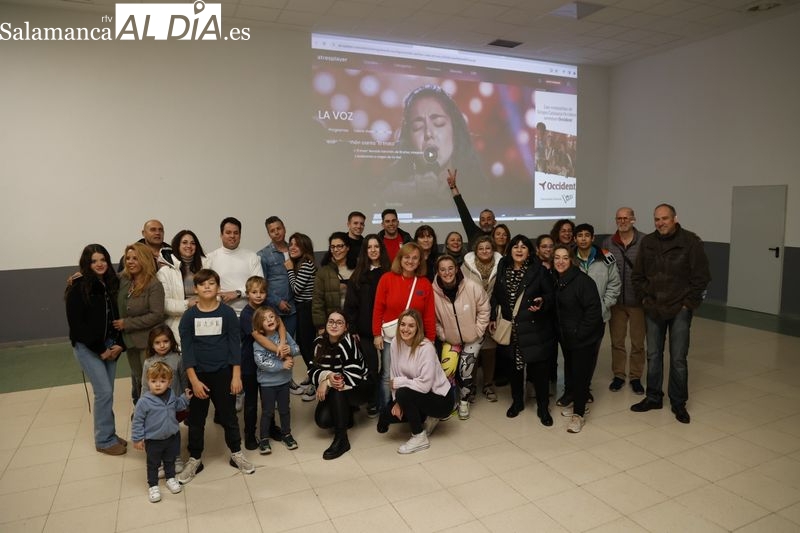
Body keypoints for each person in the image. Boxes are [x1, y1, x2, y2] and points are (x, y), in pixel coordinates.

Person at [631, 204, 711, 424]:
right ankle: (653, 397)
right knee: (653, 355)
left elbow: (702, 277)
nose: (660, 223)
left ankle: (678, 403)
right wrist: (645, 299)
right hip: (653, 307)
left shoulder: (691, 242)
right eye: (657, 219)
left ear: (675, 218)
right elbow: (637, 276)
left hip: (679, 309)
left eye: (665, 218)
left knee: (678, 358)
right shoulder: (647, 242)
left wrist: (688, 304)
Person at [177, 269, 254, 484]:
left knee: (229, 415)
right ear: (196, 289)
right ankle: (194, 458)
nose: (208, 287)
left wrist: (236, 375)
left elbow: (234, 346)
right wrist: (193, 380)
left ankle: (236, 453)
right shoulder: (189, 317)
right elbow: (187, 350)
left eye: (212, 283)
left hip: (224, 374)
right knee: (196, 420)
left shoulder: (228, 314)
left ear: (218, 287)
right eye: (203, 284)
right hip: (198, 376)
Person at [381, 85, 486, 211]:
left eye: (438, 123)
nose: (428, 134)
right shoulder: (395, 191)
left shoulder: (477, 186)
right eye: (417, 126)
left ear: (454, 129)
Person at [65, 244, 127, 456]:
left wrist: (119, 345)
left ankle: (109, 433)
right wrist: (101, 350)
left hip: (110, 345)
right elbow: (77, 326)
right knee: (104, 393)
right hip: (88, 348)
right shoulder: (78, 287)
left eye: (103, 260)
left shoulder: (112, 283)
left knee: (107, 393)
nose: (99, 264)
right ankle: (103, 440)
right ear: (86, 264)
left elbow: (118, 316)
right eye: (94, 261)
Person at [490, 235, 557, 426]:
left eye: (524, 247)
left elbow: (549, 296)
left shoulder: (538, 271)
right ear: (510, 250)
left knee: (540, 372)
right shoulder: (503, 268)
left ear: (530, 251)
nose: (519, 250)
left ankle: (543, 407)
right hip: (512, 330)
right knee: (515, 370)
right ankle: (517, 402)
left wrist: (542, 302)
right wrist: (494, 316)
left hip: (534, 330)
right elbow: (496, 296)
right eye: (515, 247)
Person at [558, 223, 620, 407]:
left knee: (589, 356)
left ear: (593, 238)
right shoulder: (569, 257)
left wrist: (602, 306)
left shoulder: (606, 257)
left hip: (598, 316)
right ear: (574, 239)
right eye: (580, 235)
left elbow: (614, 285)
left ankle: (584, 390)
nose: (583, 238)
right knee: (570, 357)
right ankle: (570, 391)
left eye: (587, 235)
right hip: (572, 318)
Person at [377, 309, 455, 454]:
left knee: (403, 393)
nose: (405, 329)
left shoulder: (426, 348)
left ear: (418, 328)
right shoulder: (395, 343)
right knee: (386, 415)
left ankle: (419, 437)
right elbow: (394, 374)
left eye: (411, 326)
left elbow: (424, 386)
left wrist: (401, 386)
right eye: (403, 324)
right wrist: (397, 401)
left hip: (441, 399)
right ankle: (427, 417)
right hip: (415, 394)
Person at [373, 242, 436, 411]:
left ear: (420, 262)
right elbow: (378, 307)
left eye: (415, 258)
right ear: (400, 259)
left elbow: (429, 315)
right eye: (407, 257)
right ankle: (386, 408)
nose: (410, 261)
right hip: (390, 337)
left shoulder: (424, 284)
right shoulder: (387, 279)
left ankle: (406, 407)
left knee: (410, 374)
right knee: (388, 374)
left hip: (415, 339)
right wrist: (376, 334)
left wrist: (430, 340)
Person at [552, 245, 604, 433]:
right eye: (557, 257)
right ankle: (577, 405)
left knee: (581, 376)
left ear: (571, 260)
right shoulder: (558, 280)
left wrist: (578, 334)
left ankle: (579, 414)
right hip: (568, 338)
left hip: (583, 338)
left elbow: (593, 312)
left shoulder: (583, 281)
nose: (560, 261)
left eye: (565, 258)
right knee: (573, 373)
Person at [432, 255, 490, 420]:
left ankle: (464, 400)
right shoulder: (433, 291)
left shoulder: (471, 286)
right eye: (442, 269)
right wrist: (443, 334)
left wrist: (478, 330)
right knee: (447, 369)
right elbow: (433, 319)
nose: (447, 272)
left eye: (450, 268)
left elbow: (485, 308)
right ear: (438, 272)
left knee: (466, 369)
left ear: (456, 269)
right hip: (451, 339)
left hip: (473, 337)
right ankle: (450, 403)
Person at [308, 310, 368, 460]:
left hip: (360, 387)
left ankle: (342, 440)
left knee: (337, 389)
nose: (334, 325)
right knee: (322, 420)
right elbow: (312, 369)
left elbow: (354, 375)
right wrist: (325, 377)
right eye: (331, 321)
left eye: (339, 322)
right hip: (337, 387)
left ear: (346, 327)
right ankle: (346, 416)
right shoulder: (318, 342)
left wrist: (327, 381)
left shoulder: (348, 343)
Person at [343, 234, 390, 417]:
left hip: (389, 329)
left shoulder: (390, 272)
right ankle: (373, 401)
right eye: (369, 247)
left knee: (387, 368)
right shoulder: (358, 275)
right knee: (371, 367)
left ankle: (386, 399)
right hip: (364, 330)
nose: (373, 250)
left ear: (381, 249)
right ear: (365, 251)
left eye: (376, 246)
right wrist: (352, 329)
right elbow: (350, 306)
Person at [131, 362, 191, 503]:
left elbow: (177, 405)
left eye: (162, 381)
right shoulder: (143, 402)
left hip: (172, 436)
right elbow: (138, 421)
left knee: (170, 460)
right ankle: (153, 486)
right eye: (153, 381)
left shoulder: (171, 394)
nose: (158, 384)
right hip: (154, 440)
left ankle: (170, 478)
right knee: (153, 464)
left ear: (169, 382)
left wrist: (185, 398)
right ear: (148, 381)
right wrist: (138, 438)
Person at [602, 207, 647, 394]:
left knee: (638, 342)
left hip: (638, 303)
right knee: (617, 341)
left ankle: (636, 377)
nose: (622, 221)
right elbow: (605, 271)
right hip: (617, 303)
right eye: (619, 218)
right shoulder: (608, 243)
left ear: (633, 219)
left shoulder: (645, 242)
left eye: (626, 218)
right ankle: (619, 375)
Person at [115, 243, 166, 406]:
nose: (130, 261)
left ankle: (156, 416)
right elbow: (101, 278)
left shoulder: (154, 284)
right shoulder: (123, 280)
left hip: (147, 342)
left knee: (151, 382)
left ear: (144, 260)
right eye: (128, 258)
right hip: (130, 342)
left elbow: (157, 315)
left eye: (135, 258)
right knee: (138, 379)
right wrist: (82, 274)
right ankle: (144, 412)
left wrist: (127, 323)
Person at [239, 276, 285, 450]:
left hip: (269, 361)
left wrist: (281, 342)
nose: (258, 295)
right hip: (250, 364)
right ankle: (250, 434)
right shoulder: (246, 314)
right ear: (247, 293)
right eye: (254, 292)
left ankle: (271, 427)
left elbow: (280, 325)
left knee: (269, 398)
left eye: (262, 292)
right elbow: (258, 337)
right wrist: (277, 349)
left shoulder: (269, 308)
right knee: (251, 401)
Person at [252, 306, 300, 454]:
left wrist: (289, 350)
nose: (269, 320)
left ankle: (287, 434)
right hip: (267, 384)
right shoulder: (258, 343)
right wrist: (282, 364)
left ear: (277, 320)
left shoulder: (285, 336)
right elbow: (261, 362)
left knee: (285, 410)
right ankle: (264, 439)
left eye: (271, 317)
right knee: (267, 412)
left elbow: (297, 349)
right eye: (265, 319)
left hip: (284, 382)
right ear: (260, 326)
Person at [461, 235, 504, 402]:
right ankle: (470, 386)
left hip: (493, 315)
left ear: (492, 250)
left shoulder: (501, 265)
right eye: (481, 248)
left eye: (488, 248)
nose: (485, 251)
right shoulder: (466, 267)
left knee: (489, 351)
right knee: (473, 350)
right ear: (475, 251)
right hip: (472, 315)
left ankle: (487, 384)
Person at [140, 325, 187, 475]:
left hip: (174, 404)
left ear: (171, 341)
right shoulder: (148, 362)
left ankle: (176, 457)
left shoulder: (178, 359)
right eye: (157, 342)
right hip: (155, 407)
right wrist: (142, 404)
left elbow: (184, 379)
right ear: (151, 344)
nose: (162, 345)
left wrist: (186, 399)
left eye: (165, 341)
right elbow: (144, 385)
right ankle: (160, 461)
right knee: (158, 432)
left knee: (173, 431)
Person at [206, 217, 264, 317]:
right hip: (219, 314)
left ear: (240, 235)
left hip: (249, 314)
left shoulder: (251, 256)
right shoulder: (210, 258)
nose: (232, 236)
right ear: (221, 235)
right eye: (228, 232)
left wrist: (238, 293)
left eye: (236, 233)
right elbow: (205, 287)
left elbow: (259, 285)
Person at [160, 229, 208, 342]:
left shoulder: (207, 266)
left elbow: (217, 293)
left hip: (205, 319)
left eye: (193, 243)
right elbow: (163, 304)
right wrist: (187, 304)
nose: (189, 246)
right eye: (184, 242)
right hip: (178, 323)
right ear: (177, 245)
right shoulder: (165, 272)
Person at [258, 216, 297, 336]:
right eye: (272, 231)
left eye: (278, 228)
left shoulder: (295, 250)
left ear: (284, 229)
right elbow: (262, 284)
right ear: (268, 234)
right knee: (275, 345)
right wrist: (277, 301)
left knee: (290, 343)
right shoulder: (263, 255)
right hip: (274, 309)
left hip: (294, 307)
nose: (276, 233)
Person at [286, 232, 317, 371]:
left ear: (304, 247)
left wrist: (290, 270)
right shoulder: (301, 263)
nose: (292, 247)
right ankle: (313, 376)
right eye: (291, 244)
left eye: (297, 245)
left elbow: (296, 289)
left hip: (307, 308)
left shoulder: (306, 264)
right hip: (302, 307)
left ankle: (315, 378)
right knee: (303, 344)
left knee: (306, 345)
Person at [312, 232, 355, 333]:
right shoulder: (324, 272)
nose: (336, 250)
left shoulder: (357, 269)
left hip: (353, 323)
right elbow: (317, 301)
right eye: (333, 247)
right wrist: (321, 326)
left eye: (340, 246)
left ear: (347, 247)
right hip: (332, 324)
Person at [446, 168, 496, 248]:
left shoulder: (499, 235)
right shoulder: (473, 232)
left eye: (489, 219)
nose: (486, 222)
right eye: (483, 220)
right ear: (479, 223)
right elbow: (463, 211)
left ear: (494, 222)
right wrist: (453, 187)